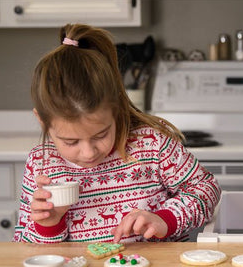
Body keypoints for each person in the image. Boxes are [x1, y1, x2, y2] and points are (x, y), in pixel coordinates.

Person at [12, 23, 220, 243]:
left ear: (117, 111)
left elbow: (206, 190)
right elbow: (24, 248)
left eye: (101, 135)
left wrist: (165, 219)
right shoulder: (41, 163)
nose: (88, 152)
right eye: (71, 141)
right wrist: (48, 225)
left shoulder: (151, 145)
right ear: (43, 122)